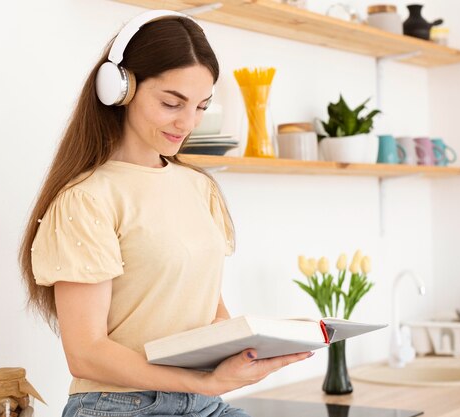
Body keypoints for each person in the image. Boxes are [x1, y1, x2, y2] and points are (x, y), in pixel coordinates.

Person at [19, 9, 312, 417]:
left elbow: (208, 307)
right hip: (118, 404)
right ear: (119, 90)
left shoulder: (200, 187)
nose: (187, 122)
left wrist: (249, 347)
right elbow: (85, 354)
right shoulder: (87, 199)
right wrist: (202, 381)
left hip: (204, 403)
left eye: (201, 106)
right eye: (172, 103)